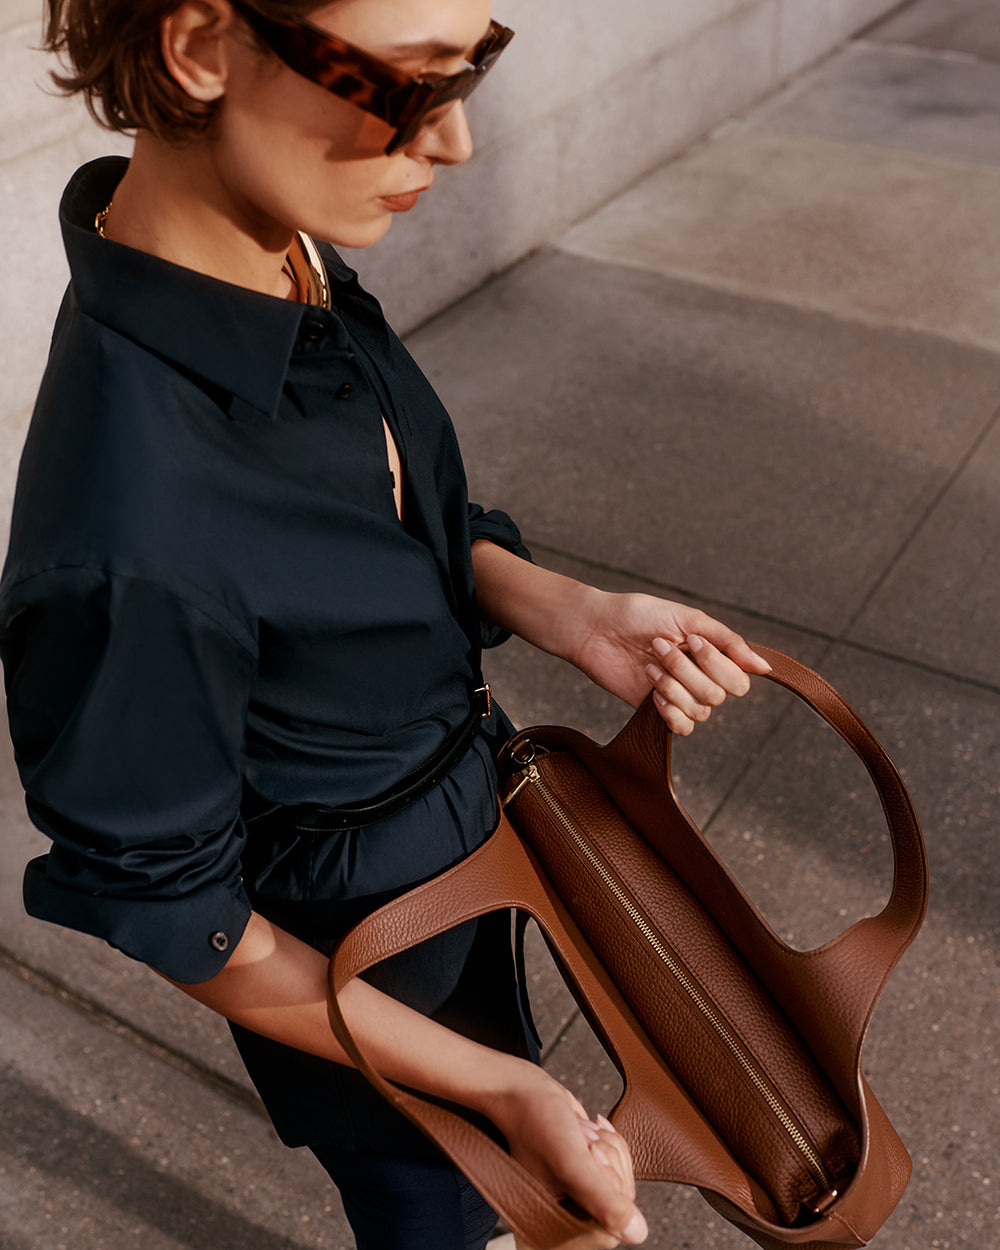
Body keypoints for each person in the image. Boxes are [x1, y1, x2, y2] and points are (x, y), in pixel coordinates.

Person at [0, 2, 773, 1246]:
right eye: (410, 83)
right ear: (201, 47)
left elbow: (377, 518)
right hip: (361, 975)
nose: (457, 140)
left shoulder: (280, 255)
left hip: (468, 848)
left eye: (476, 66)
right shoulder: (126, 533)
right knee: (433, 1207)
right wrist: (497, 1087)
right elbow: (178, 913)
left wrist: (564, 607)